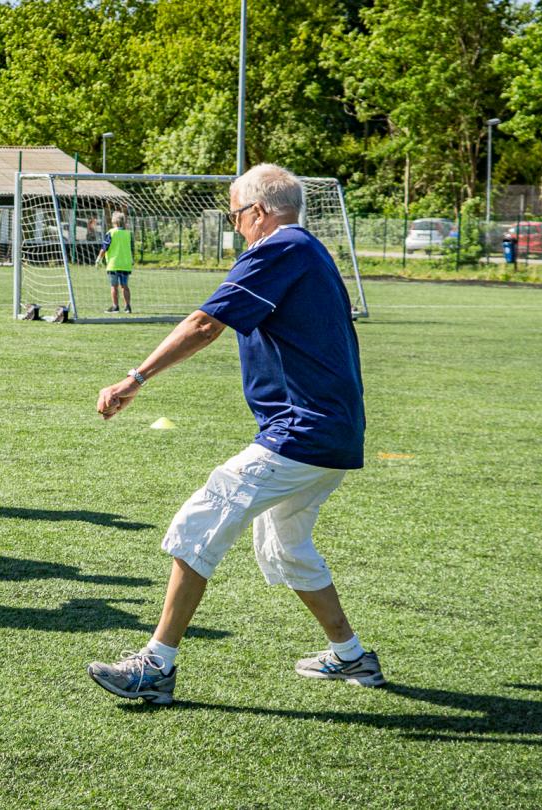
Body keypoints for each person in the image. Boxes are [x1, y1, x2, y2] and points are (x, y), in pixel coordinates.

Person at [86, 164, 382, 706]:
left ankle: (155, 667)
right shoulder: (307, 249)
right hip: (329, 431)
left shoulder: (281, 247)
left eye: (236, 214)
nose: (235, 225)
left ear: (260, 211)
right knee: (285, 546)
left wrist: (135, 378)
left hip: (303, 431)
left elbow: (206, 324)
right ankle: (350, 654)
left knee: (198, 521)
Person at [95, 211, 133, 313]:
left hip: (114, 264)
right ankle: (128, 307)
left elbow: (104, 248)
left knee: (114, 286)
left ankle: (115, 307)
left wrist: (98, 259)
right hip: (126, 264)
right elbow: (131, 248)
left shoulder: (111, 232)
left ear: (113, 221)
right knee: (125, 286)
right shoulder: (128, 233)